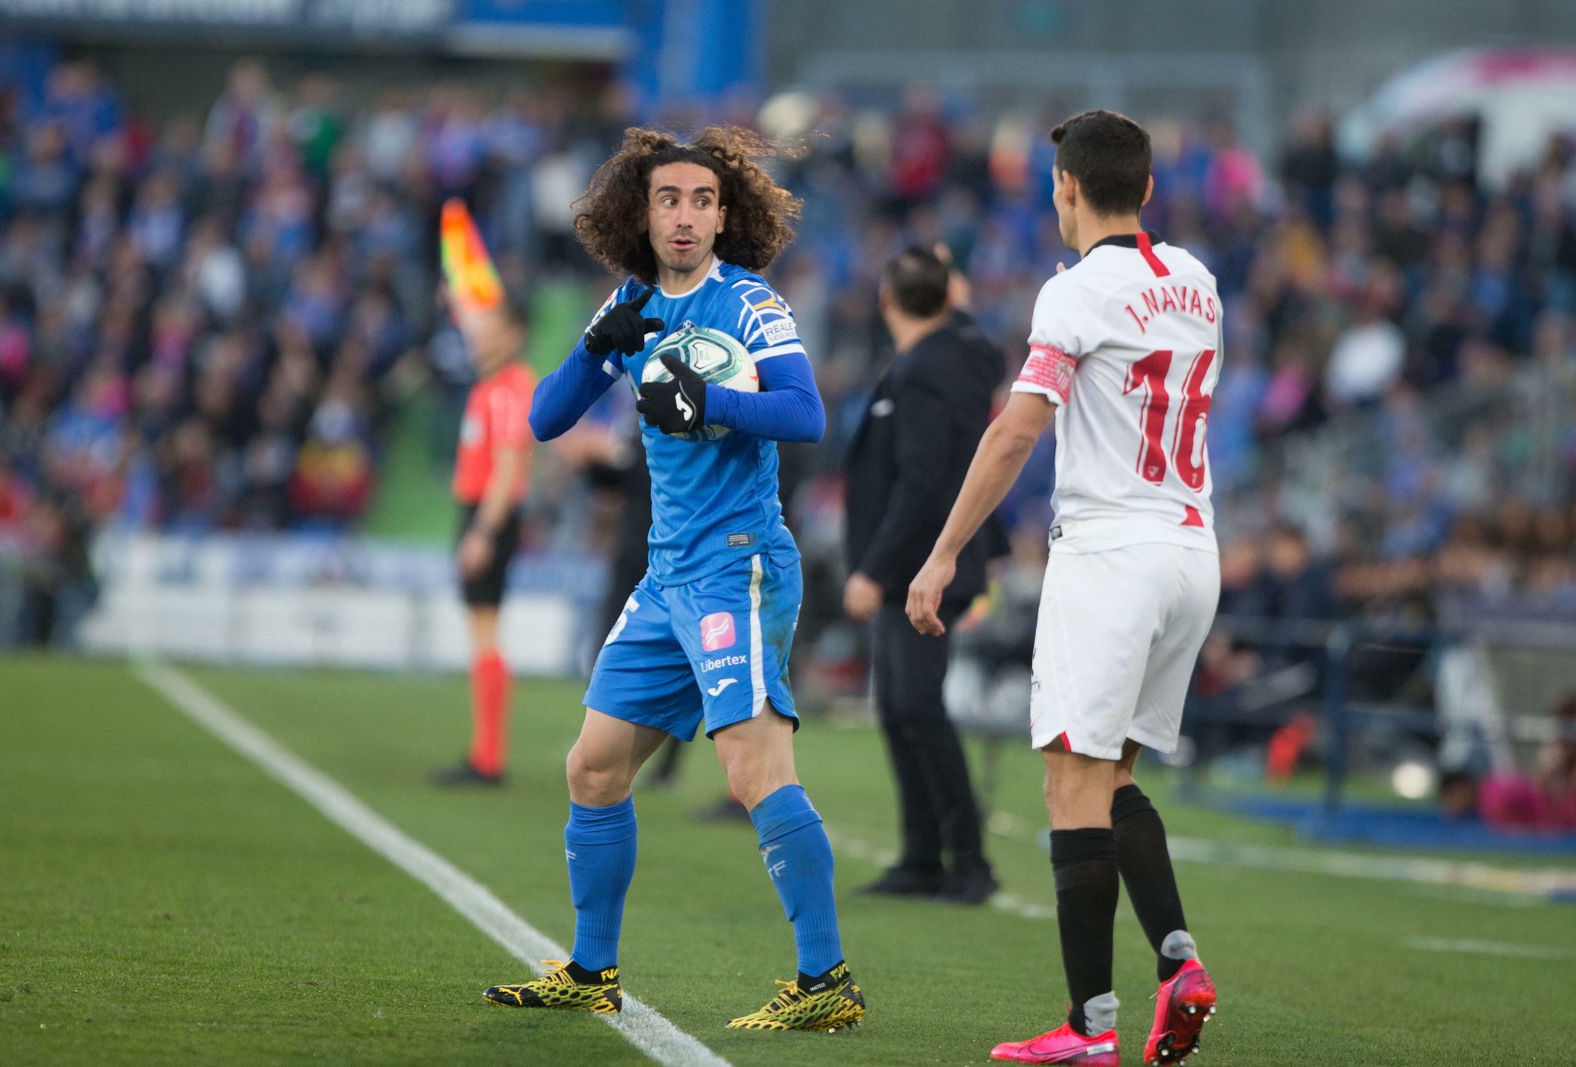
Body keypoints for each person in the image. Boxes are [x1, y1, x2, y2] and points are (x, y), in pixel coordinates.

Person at [482, 126, 865, 1033]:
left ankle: (826, 982)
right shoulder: (633, 302)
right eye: (668, 200)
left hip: (740, 566)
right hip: (665, 579)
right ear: (641, 214)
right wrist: (597, 344)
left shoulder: (752, 304)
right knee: (594, 765)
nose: (684, 216)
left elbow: (806, 414)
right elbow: (543, 418)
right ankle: (591, 968)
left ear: (725, 215)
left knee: (753, 769)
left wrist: (713, 402)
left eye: (701, 201)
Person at [907, 110, 1221, 1066]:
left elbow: (1016, 431)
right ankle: (1179, 962)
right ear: (1150, 192)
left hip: (1110, 554)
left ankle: (1089, 1029)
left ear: (1067, 190)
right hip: (1190, 549)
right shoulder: (1200, 283)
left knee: (1066, 782)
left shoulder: (1075, 292)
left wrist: (943, 551)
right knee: (1111, 775)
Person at [842, 245, 1006, 904]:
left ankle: (967, 858)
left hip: (920, 564)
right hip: (924, 559)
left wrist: (874, 570)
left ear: (886, 300)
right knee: (898, 706)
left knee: (916, 706)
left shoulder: (928, 367)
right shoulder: (953, 355)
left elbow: (920, 481)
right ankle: (921, 854)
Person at [430, 303, 537, 786]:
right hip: (477, 511)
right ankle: (485, 753)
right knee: (481, 630)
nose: (479, 340)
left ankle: (488, 758)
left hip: (489, 514)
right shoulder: (490, 386)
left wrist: (483, 532)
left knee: (486, 630)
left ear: (514, 335)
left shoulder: (512, 387)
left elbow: (510, 465)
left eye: (491, 332)